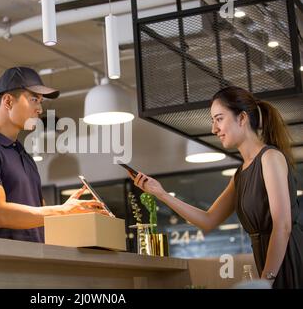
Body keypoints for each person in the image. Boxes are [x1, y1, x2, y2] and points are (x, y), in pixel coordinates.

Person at [129, 86, 302, 289]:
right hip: (271, 267)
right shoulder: (240, 175)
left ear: (242, 118)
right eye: (213, 121)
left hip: (290, 262)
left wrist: (265, 281)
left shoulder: (270, 158)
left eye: (219, 119)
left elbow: (283, 226)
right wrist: (161, 193)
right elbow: (208, 220)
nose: (214, 129)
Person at [0, 67, 108, 243]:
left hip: (34, 260)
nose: (39, 109)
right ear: (8, 101)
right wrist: (62, 210)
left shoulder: (23, 154)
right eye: (34, 99)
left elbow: (40, 215)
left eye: (41, 102)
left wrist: (73, 213)